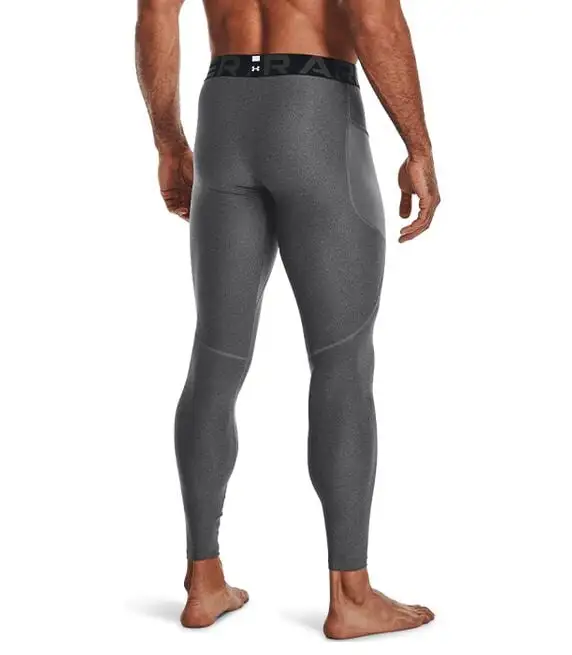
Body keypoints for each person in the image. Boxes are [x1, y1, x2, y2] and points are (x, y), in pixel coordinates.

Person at [135, 0, 440, 640]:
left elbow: (157, 13)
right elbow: (374, 20)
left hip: (223, 114)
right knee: (342, 362)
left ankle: (203, 580)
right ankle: (350, 596)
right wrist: (418, 147)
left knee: (215, 358)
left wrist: (168, 141)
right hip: (314, 112)